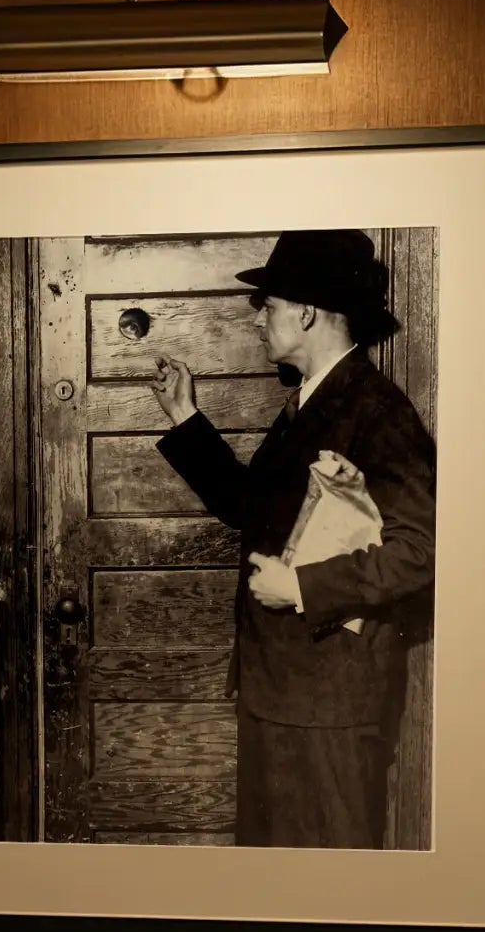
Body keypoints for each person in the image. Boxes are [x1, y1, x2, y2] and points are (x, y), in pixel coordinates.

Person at [150, 229, 435, 849]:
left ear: (306, 311)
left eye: (269, 305)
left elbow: (423, 552)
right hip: (281, 692)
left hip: (330, 707)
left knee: (329, 900)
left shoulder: (378, 412)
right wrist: (185, 419)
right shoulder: (312, 401)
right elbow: (252, 509)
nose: (259, 320)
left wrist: (302, 586)